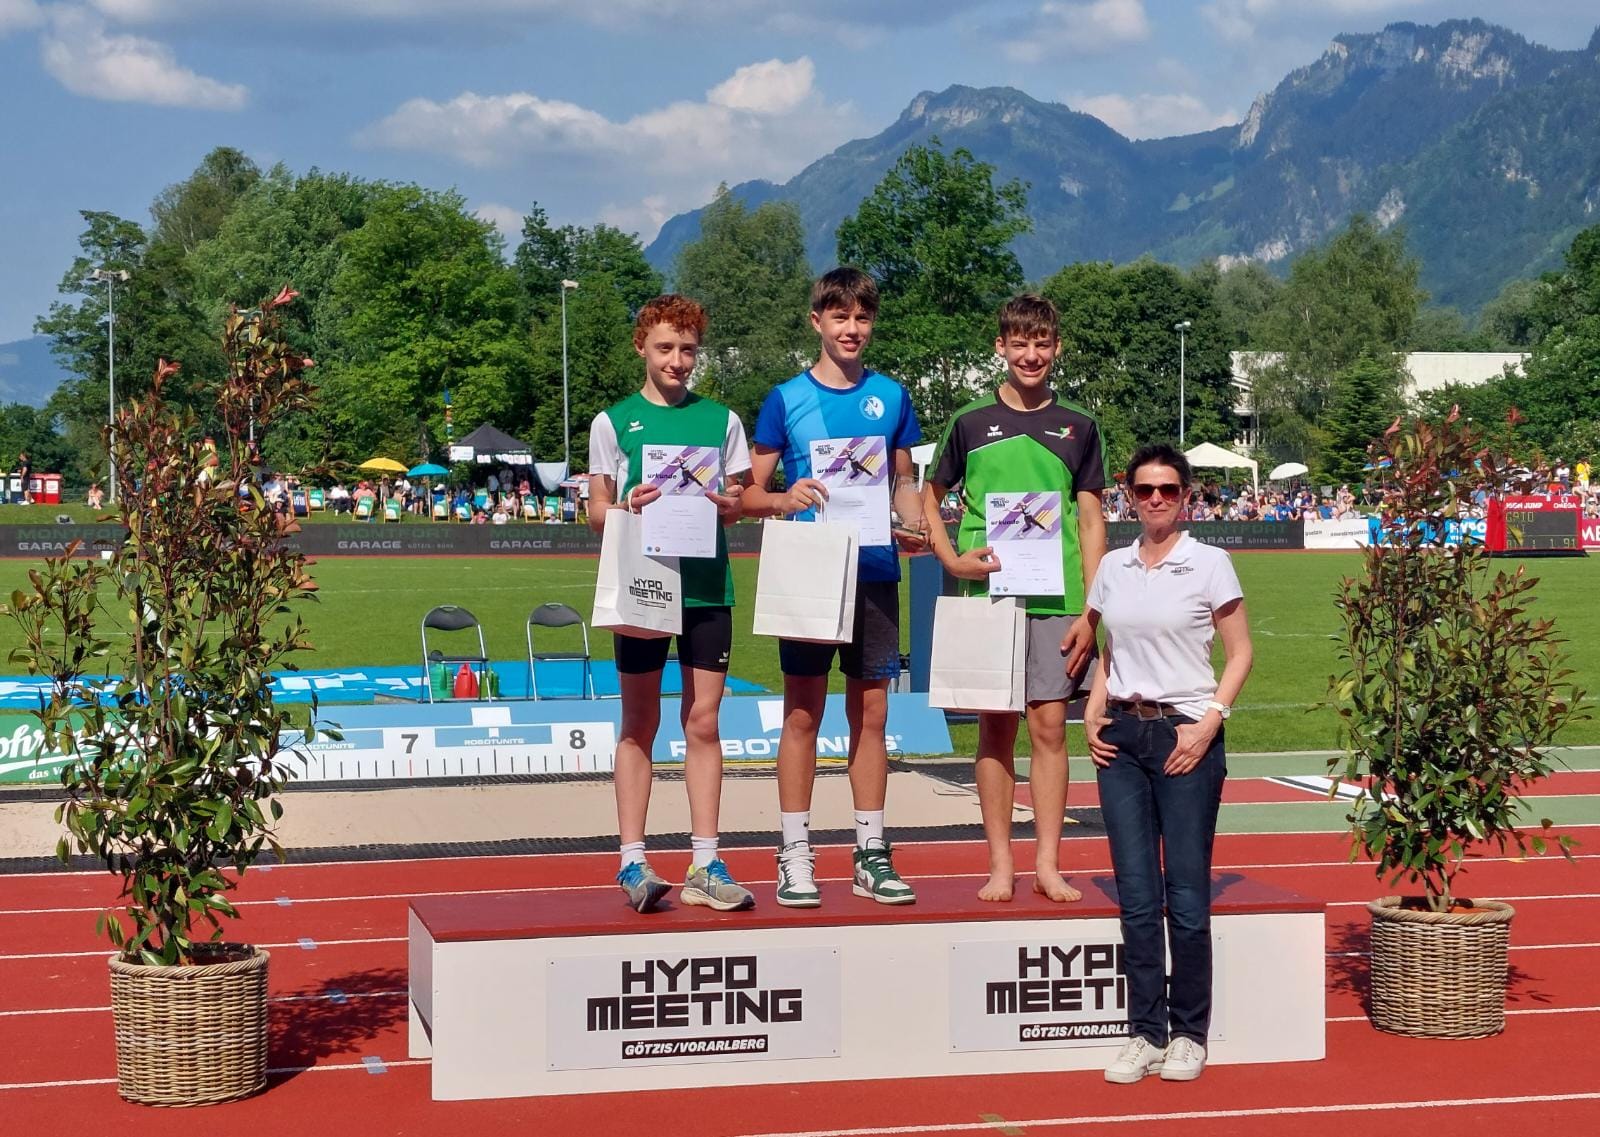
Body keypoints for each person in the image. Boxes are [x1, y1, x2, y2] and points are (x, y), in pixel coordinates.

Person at [742, 267, 926, 908]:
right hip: (809, 571)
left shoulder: (892, 397)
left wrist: (912, 524)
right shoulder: (785, 399)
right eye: (840, 317)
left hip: (874, 570)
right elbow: (747, 493)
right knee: (802, 714)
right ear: (816, 321)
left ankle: (871, 853)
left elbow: (904, 482)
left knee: (872, 714)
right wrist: (782, 498)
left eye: (862, 318)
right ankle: (794, 852)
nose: (852, 329)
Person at [922, 294, 1106, 903]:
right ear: (1000, 347)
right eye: (1020, 343)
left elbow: (1091, 521)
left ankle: (1048, 864)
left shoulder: (1080, 426)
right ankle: (1000, 864)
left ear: (1057, 348)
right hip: (986, 597)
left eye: (1042, 344)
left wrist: (1093, 609)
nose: (1031, 355)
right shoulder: (970, 422)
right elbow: (928, 496)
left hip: (1059, 597)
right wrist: (950, 558)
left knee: (1050, 727)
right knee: (995, 729)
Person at [1082, 442, 1253, 1085]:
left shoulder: (1210, 563)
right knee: (1135, 894)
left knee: (1184, 894)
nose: (1156, 499)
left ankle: (1188, 1034)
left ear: (1186, 497)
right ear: (1129, 495)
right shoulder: (1113, 566)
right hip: (1122, 739)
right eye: (1145, 490)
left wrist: (1210, 723)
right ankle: (1145, 1032)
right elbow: (1108, 647)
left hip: (1186, 736)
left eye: (1169, 490)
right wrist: (1092, 710)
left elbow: (1240, 653)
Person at [587, 294, 755, 914]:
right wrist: (625, 505)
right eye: (665, 348)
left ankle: (706, 862)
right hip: (645, 585)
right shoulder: (614, 422)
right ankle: (632, 860)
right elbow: (595, 513)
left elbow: (740, 500)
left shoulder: (722, 420)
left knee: (704, 722)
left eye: (687, 350)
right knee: (640, 722)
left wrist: (733, 505)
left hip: (707, 588)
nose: (677, 361)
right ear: (642, 347)